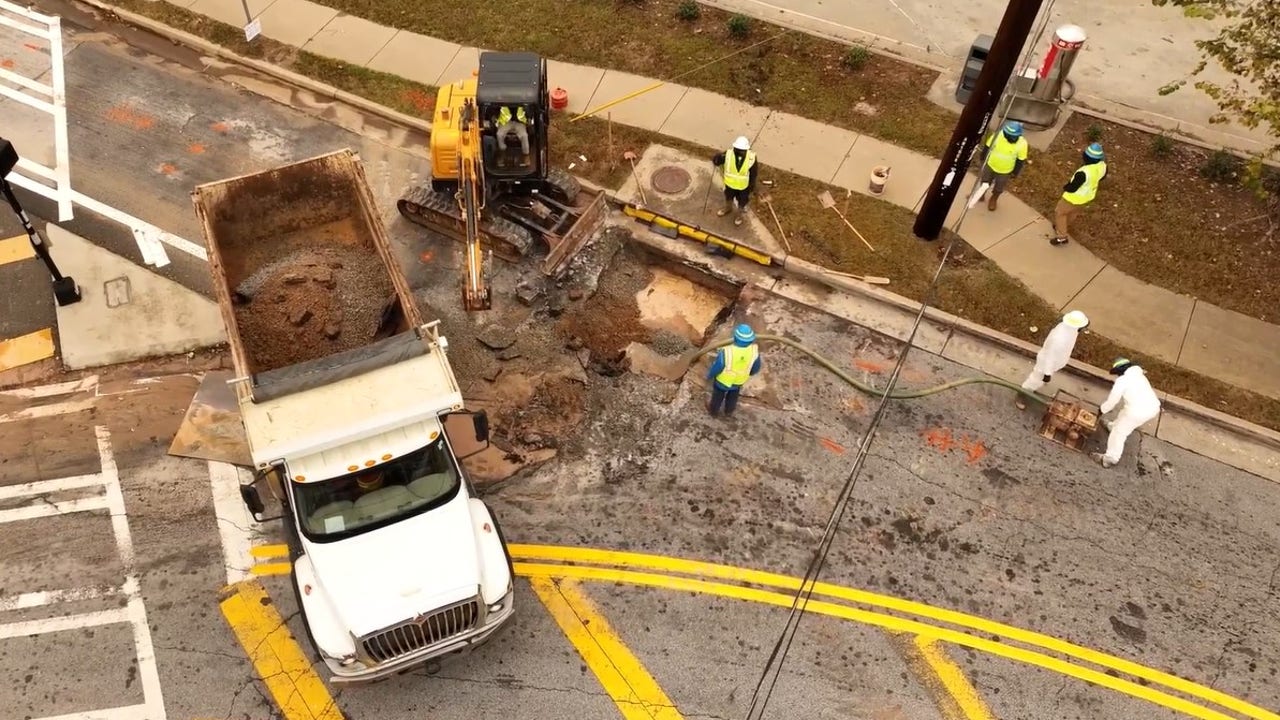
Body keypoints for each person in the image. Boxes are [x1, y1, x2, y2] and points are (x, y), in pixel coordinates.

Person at [1092, 358, 1161, 468]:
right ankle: (1112, 426)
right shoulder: (1139, 375)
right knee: (1124, 413)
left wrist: (1102, 410)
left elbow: (1112, 400)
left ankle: (1111, 458)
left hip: (1137, 411)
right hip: (1152, 407)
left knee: (1119, 432)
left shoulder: (1122, 381)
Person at [1015, 310, 1089, 409]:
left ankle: (1030, 390)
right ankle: (1022, 394)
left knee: (1038, 380)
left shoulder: (1069, 329)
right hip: (1045, 363)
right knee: (1035, 379)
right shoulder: (1059, 339)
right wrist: (1047, 373)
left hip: (1054, 361)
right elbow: (1050, 357)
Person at [1051, 142, 1107, 246]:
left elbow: (1072, 188)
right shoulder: (1103, 166)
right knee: (1073, 213)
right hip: (1086, 198)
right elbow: (1102, 177)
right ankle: (1062, 226)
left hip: (1072, 198)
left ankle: (1062, 236)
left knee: (1060, 213)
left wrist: (1065, 187)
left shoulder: (1083, 172)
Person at [706, 323, 762, 417]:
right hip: (738, 381)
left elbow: (718, 367)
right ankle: (729, 412)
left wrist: (710, 375)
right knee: (733, 397)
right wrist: (749, 373)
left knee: (717, 397)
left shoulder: (726, 352)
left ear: (735, 337)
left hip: (722, 381)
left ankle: (714, 412)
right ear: (751, 340)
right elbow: (756, 367)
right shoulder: (754, 351)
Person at [981, 121, 1029, 211]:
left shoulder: (1023, 143)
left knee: (999, 187)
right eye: (1009, 136)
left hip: (1005, 171)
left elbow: (1020, 160)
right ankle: (981, 195)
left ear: (1019, 135)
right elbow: (987, 146)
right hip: (990, 165)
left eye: (1014, 137)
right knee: (984, 181)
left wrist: (1015, 172)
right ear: (1005, 133)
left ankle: (993, 199)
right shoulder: (998, 135)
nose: (1012, 138)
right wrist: (983, 158)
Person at [712, 136, 758, 227]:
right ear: (735, 148)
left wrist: (751, 186)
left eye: (742, 150)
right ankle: (728, 208)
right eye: (738, 149)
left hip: (743, 186)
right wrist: (716, 158)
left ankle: (739, 216)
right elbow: (718, 162)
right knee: (728, 197)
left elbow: (753, 173)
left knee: (742, 202)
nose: (740, 152)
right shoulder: (728, 154)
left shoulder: (751, 158)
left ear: (746, 149)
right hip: (730, 184)